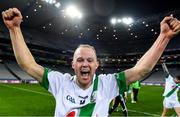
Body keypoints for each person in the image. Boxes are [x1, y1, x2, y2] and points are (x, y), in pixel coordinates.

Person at [2, 7, 180, 117]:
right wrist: (15, 29)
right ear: (73, 65)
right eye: (79, 60)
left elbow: (141, 69)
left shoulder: (107, 84)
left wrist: (163, 37)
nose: (84, 64)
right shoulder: (60, 82)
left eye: (89, 60)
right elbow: (28, 65)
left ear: (97, 65)